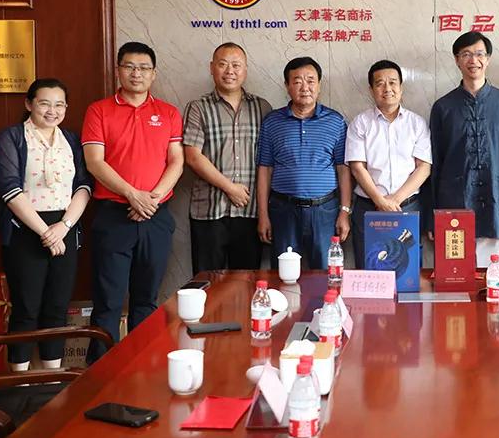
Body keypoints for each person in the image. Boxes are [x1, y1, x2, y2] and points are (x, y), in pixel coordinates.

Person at [82, 42, 184, 362]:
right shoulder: (98, 110)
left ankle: (143, 366)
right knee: (108, 301)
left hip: (156, 216)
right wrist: (132, 194)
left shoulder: (168, 113)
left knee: (147, 299)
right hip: (114, 216)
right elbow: (94, 162)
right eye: (129, 66)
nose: (136, 73)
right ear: (118, 70)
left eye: (143, 68)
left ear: (154, 74)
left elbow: (176, 161)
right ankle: (100, 371)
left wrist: (151, 200)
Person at [0, 79, 92, 371]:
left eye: (59, 104)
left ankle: (52, 378)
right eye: (44, 103)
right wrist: (46, 232)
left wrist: (64, 226)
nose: (52, 111)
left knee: (57, 307)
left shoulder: (71, 140)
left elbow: (84, 186)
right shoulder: (12, 138)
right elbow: (10, 189)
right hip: (25, 230)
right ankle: (20, 381)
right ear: (29, 104)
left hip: (65, 228)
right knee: (26, 308)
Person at [429, 31, 499, 267]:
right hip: (455, 206)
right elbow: (435, 163)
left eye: (479, 54)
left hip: (498, 205)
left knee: (497, 278)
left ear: (488, 59)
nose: (473, 60)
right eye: (466, 54)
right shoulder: (443, 107)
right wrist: (432, 217)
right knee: (456, 277)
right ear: (457, 60)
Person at [183, 42, 272, 273]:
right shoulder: (198, 107)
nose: (229, 71)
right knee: (206, 282)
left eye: (236, 65)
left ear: (245, 70)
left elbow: (269, 160)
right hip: (209, 211)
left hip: (250, 211)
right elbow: (193, 157)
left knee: (246, 282)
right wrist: (230, 188)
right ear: (211, 67)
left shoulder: (262, 108)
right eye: (222, 64)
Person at [257, 57, 351, 269]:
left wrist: (344, 212)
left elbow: (343, 170)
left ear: (319, 85)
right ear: (287, 86)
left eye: (310, 80)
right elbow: (265, 169)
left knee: (326, 272)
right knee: (284, 273)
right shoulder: (272, 122)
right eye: (297, 81)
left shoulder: (335, 121)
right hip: (283, 210)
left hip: (325, 211)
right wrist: (263, 215)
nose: (305, 87)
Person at [346, 60, 431, 268]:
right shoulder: (360, 123)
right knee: (369, 270)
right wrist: (380, 200)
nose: (387, 89)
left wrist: (394, 201)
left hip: (408, 207)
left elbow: (423, 168)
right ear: (371, 89)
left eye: (393, 82)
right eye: (380, 83)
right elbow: (357, 167)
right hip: (368, 207)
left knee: (407, 271)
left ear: (401, 87)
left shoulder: (416, 123)